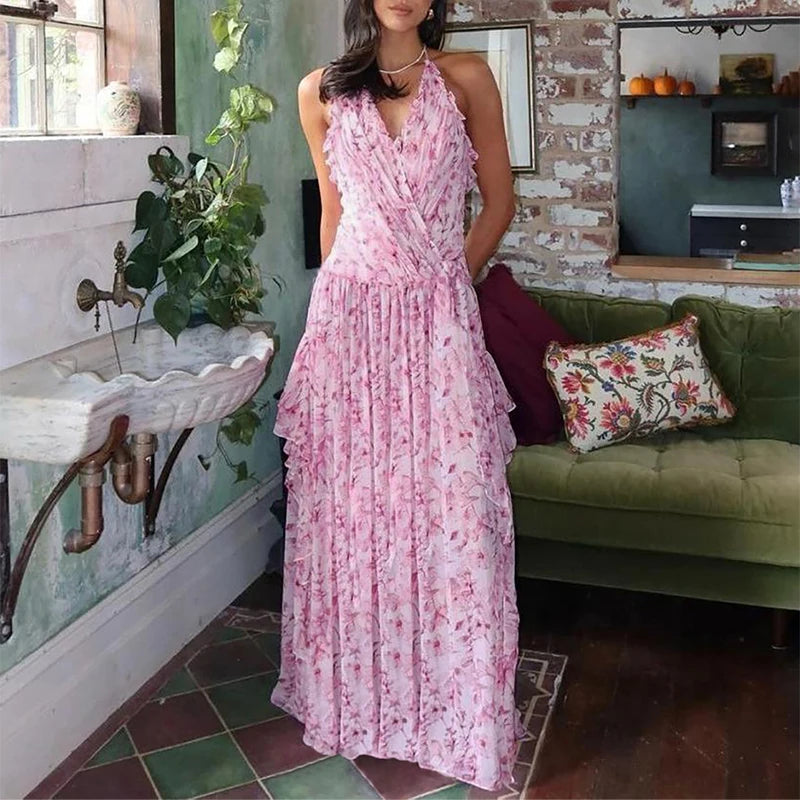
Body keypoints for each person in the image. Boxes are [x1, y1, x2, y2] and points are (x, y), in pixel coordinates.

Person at [271, 0, 526, 791]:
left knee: (453, 516)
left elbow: (499, 203)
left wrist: (449, 279)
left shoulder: (469, 79)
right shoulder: (320, 91)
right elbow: (335, 218)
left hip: (437, 319)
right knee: (353, 516)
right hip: (350, 322)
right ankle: (357, 701)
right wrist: (329, 328)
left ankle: (452, 713)